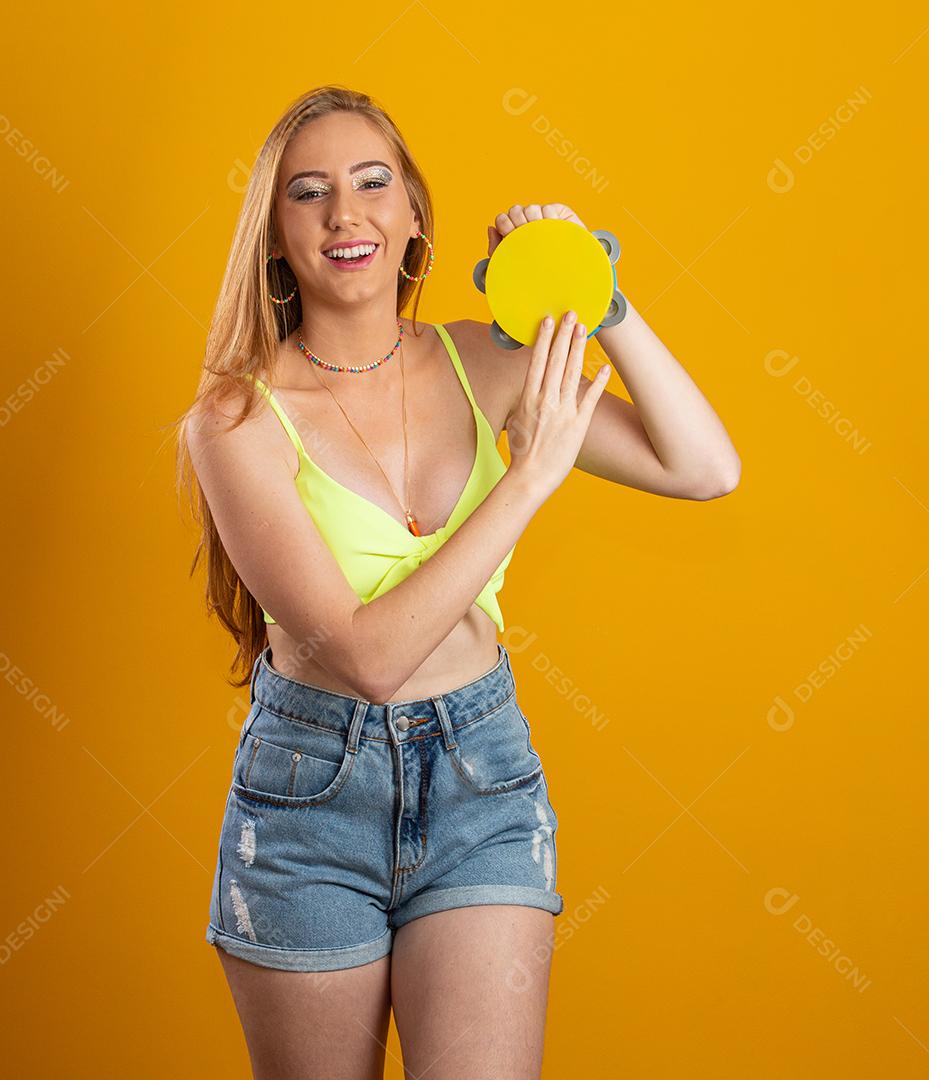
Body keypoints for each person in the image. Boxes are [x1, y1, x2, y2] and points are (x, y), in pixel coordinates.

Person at [175, 85, 740, 1080]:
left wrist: (600, 296)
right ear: (274, 236)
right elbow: (366, 658)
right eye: (307, 194)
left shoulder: (486, 358)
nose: (343, 215)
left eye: (370, 183)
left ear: (413, 215)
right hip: (308, 803)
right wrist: (526, 481)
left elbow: (704, 468)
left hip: (481, 781)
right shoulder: (233, 422)